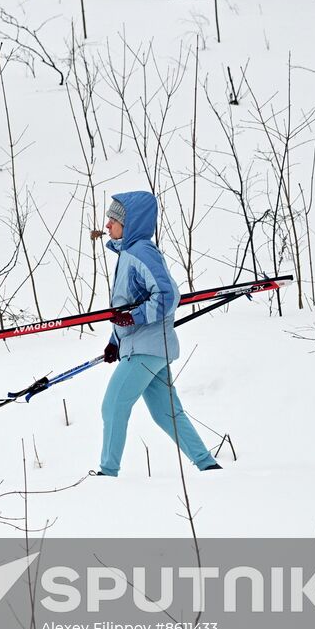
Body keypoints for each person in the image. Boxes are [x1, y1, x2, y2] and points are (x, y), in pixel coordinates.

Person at [87, 192, 221, 477]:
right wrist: (115, 341)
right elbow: (129, 303)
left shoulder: (140, 252)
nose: (108, 224)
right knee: (166, 414)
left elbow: (167, 295)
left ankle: (107, 473)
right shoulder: (129, 254)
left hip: (146, 347)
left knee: (112, 405)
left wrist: (131, 318)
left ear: (130, 222)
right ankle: (208, 465)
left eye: (113, 219)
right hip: (146, 346)